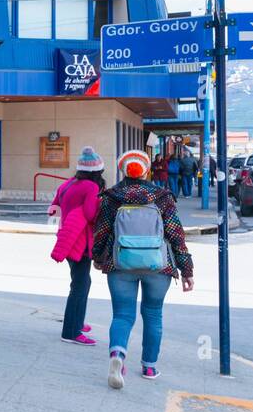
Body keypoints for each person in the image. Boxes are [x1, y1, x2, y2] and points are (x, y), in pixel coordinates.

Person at [92, 150, 194, 387]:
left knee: (122, 315)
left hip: (120, 264)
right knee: (153, 314)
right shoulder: (162, 197)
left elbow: (102, 232)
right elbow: (176, 236)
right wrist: (187, 270)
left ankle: (117, 355)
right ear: (146, 170)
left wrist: (98, 257)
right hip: (158, 266)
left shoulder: (111, 197)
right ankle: (149, 367)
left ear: (122, 170)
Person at [47, 147, 103, 346]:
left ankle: (77, 321)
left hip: (67, 237)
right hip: (80, 241)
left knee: (81, 282)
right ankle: (71, 331)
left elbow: (54, 209)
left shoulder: (68, 184)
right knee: (80, 285)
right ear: (97, 171)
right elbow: (89, 214)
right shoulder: (91, 187)